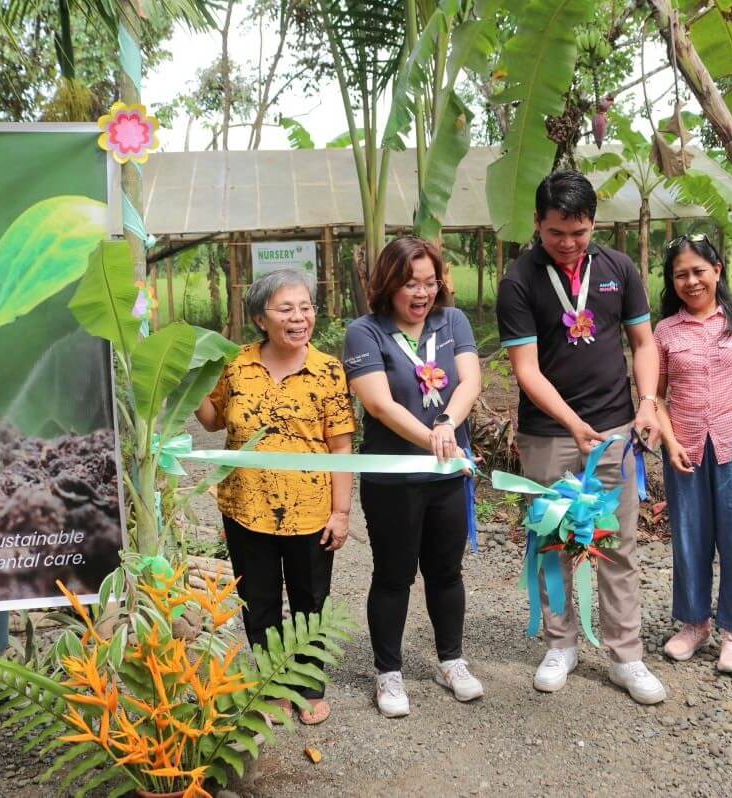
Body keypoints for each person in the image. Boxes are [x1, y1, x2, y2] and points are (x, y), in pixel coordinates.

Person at [496, 170, 666, 705]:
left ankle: (626, 655)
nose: (568, 245)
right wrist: (573, 423)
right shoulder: (519, 280)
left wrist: (647, 404)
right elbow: (526, 369)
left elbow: (643, 343)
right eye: (556, 234)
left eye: (579, 232)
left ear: (593, 224)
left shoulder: (619, 268)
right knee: (553, 540)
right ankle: (560, 645)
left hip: (616, 427)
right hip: (549, 432)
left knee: (615, 542)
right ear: (537, 226)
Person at [196, 268, 354, 725]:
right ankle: (271, 686)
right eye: (286, 309)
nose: (299, 317)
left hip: (310, 510)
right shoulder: (236, 365)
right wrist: (185, 385)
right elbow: (211, 420)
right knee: (259, 602)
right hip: (246, 507)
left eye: (305, 307)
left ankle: (309, 686)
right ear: (261, 318)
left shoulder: (327, 370)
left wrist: (341, 512)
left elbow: (341, 445)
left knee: (310, 600)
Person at [344, 236, 483, 719]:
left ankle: (452, 661)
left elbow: (469, 382)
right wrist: (433, 440)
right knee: (394, 575)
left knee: (446, 571)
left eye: (429, 282)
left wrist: (447, 428)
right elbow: (379, 405)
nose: (421, 293)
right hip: (393, 481)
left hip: (447, 477)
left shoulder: (453, 322)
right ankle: (388, 673)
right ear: (388, 284)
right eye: (409, 283)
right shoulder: (365, 332)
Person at [654, 235, 732, 675]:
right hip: (685, 446)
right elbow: (656, 397)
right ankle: (694, 624)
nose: (691, 281)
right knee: (690, 537)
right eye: (681, 274)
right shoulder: (665, 331)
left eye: (699, 271)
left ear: (718, 270)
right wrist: (669, 443)